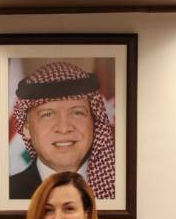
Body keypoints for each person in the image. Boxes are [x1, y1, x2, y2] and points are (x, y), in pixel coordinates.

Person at [8, 61, 116, 201]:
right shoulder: (8, 193)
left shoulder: (120, 190)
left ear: (94, 122)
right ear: (26, 129)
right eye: (48, 115)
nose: (64, 128)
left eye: (77, 113)